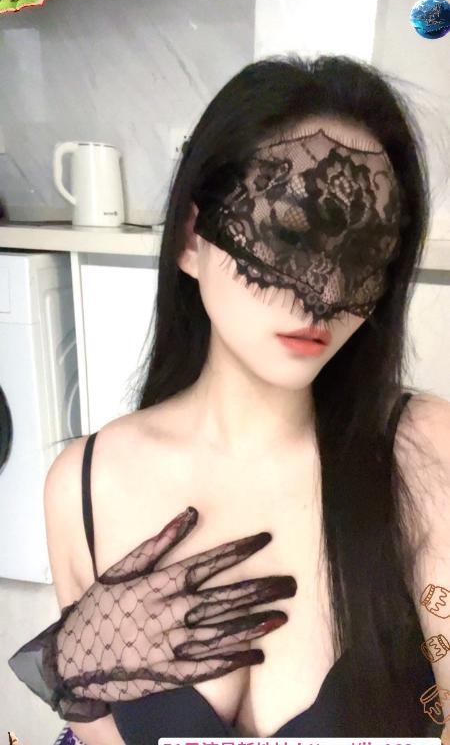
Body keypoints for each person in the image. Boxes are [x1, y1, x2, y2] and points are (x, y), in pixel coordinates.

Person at [8, 53, 450, 745]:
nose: (323, 294)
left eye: (363, 254)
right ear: (192, 239)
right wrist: (73, 672)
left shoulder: (424, 451)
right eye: (289, 235)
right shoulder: (84, 487)